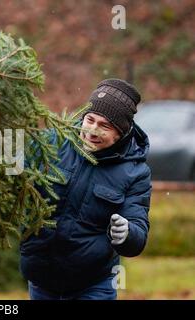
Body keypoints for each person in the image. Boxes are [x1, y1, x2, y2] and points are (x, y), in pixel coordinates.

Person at [20, 78, 152, 300]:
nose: (92, 130)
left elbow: (138, 234)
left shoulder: (135, 172)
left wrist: (127, 233)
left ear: (120, 133)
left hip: (93, 285)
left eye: (104, 126)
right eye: (90, 119)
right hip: (40, 280)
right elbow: (9, 172)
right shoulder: (51, 143)